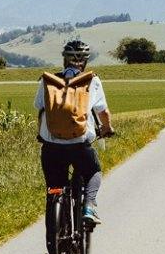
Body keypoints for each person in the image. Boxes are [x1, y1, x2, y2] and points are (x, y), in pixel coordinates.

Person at [35, 38, 113, 224]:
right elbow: (103, 113)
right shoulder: (92, 80)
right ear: (85, 61)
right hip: (79, 145)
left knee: (54, 187)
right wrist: (107, 128)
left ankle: (55, 226)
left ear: (64, 59)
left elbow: (39, 107)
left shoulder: (48, 80)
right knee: (93, 172)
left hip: (51, 146)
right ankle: (89, 206)